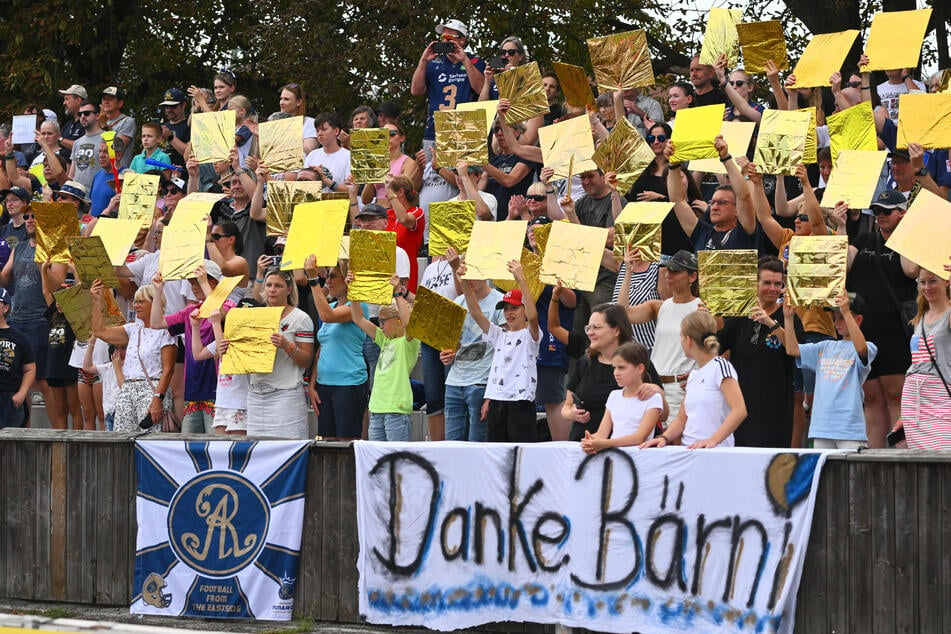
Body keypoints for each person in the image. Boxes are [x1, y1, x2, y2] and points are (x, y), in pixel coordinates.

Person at [847, 189, 918, 447]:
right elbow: (842, 264)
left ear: (903, 214)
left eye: (887, 211)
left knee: (895, 396)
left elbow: (910, 269)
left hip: (894, 330)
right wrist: (839, 223)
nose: (880, 216)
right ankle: (874, 459)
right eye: (877, 211)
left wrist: (907, 231)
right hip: (865, 330)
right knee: (872, 399)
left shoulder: (907, 242)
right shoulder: (865, 238)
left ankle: (902, 459)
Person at [717, 257, 804, 447]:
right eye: (767, 283)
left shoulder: (788, 316)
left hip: (776, 406)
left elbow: (795, 350)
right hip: (743, 407)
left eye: (777, 284)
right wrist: (711, 314)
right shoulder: (741, 317)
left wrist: (771, 324)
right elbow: (716, 346)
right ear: (755, 284)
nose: (772, 288)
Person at [455, 256, 540, 442]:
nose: (509, 313)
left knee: (521, 453)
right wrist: (465, 287)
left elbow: (533, 317)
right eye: (506, 309)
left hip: (521, 401)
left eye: (515, 308)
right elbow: (476, 314)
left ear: (524, 309)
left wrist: (521, 280)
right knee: (496, 453)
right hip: (497, 400)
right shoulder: (499, 333)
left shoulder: (531, 335)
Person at [783, 290, 876, 449]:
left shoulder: (869, 347)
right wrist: (788, 318)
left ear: (858, 319)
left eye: (842, 318)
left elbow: (861, 348)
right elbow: (792, 349)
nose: (837, 322)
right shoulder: (825, 346)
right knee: (822, 473)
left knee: (850, 474)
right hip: (821, 428)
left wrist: (846, 311)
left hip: (849, 430)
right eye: (836, 318)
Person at [642, 310, 746, 448]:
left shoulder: (720, 367)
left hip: (717, 454)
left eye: (681, 337)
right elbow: (681, 419)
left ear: (689, 340)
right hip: (691, 452)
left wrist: (713, 440)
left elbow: (739, 410)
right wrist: (664, 437)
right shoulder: (694, 375)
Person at [150, 263, 230, 434]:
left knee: (215, 446)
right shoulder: (190, 311)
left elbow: (220, 314)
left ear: (214, 282)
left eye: (198, 282)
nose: (194, 287)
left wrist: (204, 283)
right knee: (189, 448)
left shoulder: (228, 304)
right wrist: (158, 291)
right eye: (192, 283)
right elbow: (156, 323)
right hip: (193, 391)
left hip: (218, 389)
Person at [623, 249, 701, 419]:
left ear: (692, 277)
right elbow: (623, 314)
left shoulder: (702, 307)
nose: (668, 274)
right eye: (668, 270)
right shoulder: (659, 306)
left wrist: (700, 375)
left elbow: (718, 347)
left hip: (681, 387)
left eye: (676, 271)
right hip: (653, 385)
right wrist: (628, 271)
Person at [91, 281, 176, 433]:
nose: (136, 305)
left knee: (151, 441)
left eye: (141, 301)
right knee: (121, 440)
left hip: (152, 388)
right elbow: (99, 332)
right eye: (135, 301)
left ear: (155, 302)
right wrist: (97, 300)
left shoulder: (166, 331)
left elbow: (168, 370)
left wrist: (158, 399)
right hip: (127, 388)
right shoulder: (132, 329)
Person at [441, 247, 504, 442]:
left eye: (474, 273)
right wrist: (448, 353)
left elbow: (505, 348)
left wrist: (493, 392)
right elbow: (456, 343)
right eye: (466, 273)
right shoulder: (459, 302)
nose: (470, 279)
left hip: (481, 382)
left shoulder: (500, 302)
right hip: (454, 381)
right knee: (452, 445)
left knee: (478, 446)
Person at [347, 274, 420, 442]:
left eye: (383, 321)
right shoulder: (384, 339)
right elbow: (358, 319)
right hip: (377, 409)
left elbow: (409, 324)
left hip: (396, 410)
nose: (380, 326)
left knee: (396, 460)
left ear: (398, 320)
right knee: (378, 463)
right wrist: (353, 291)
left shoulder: (409, 341)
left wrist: (397, 294)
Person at [246, 267, 314, 439]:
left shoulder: (300, 318)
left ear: (289, 289)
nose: (272, 289)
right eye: (268, 285)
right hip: (255, 394)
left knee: (287, 450)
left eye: (278, 285)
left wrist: (288, 346)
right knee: (256, 452)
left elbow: (307, 360)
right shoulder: (254, 316)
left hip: (286, 395)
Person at [304, 256, 366, 441]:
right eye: (327, 276)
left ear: (347, 279)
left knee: (347, 444)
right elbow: (322, 348)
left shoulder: (357, 306)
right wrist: (313, 384)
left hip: (349, 384)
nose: (328, 281)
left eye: (333, 276)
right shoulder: (330, 305)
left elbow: (327, 315)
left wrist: (313, 279)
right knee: (326, 442)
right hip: (325, 385)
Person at [665, 137, 758, 252]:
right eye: (712, 202)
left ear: (737, 210)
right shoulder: (701, 233)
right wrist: (673, 163)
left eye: (722, 203)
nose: (714, 207)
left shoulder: (744, 232)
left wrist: (725, 157)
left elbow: (744, 196)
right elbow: (678, 201)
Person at [410, 18, 485, 148]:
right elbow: (416, 91)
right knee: (432, 168)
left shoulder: (475, 62)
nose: (445, 41)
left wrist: (464, 60)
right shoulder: (434, 63)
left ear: (462, 40)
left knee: (463, 168)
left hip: (464, 130)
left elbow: (481, 89)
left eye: (449, 37)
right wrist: (423, 61)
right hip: (435, 131)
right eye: (443, 37)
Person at [899, 270, 951, 449]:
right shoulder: (920, 318)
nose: (927, 287)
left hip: (941, 396)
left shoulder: (948, 315)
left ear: (946, 282)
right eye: (922, 282)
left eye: (933, 281)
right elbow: (916, 363)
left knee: (944, 454)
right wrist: (902, 416)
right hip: (913, 399)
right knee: (920, 464)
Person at [580, 342, 664, 452]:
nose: (616, 373)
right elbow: (602, 433)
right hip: (615, 456)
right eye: (614, 368)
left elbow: (639, 437)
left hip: (639, 458)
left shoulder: (653, 398)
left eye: (621, 368)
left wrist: (606, 443)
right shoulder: (614, 396)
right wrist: (590, 440)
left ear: (640, 368)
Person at [189, 308, 247, 435]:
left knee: (237, 449)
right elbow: (198, 354)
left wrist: (216, 324)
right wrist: (195, 326)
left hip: (239, 404)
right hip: (222, 402)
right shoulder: (225, 338)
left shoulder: (248, 342)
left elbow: (224, 354)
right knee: (220, 449)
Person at [0, 287, 35, 428]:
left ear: (6, 308)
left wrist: (22, 393)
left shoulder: (20, 337)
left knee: (12, 442)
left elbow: (30, 369)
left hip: (10, 395)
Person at [304, 113, 350, 193]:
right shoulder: (312, 155)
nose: (320, 134)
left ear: (336, 131)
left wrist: (325, 180)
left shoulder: (348, 156)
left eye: (324, 129)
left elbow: (351, 190)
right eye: (317, 130)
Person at [66, 100, 104, 194]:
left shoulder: (107, 138)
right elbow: (71, 175)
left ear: (97, 116)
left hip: (97, 195)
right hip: (77, 197)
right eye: (80, 114)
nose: (82, 116)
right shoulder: (77, 142)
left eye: (86, 113)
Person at [99, 87, 136, 169]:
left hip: (118, 174)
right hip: (101, 173)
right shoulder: (96, 122)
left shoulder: (127, 121)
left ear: (120, 103)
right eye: (104, 99)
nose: (106, 102)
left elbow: (118, 146)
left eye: (110, 99)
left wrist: (105, 127)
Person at [278, 83, 318, 154]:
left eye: (286, 99)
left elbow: (309, 151)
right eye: (281, 98)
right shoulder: (276, 124)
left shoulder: (310, 123)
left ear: (299, 102)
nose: (281, 102)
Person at [158, 88, 191, 168]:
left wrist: (170, 137)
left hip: (181, 176)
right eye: (166, 106)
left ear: (183, 105)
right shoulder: (162, 126)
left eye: (173, 106)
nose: (169, 110)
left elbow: (190, 154)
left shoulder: (189, 126)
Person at [58, 84, 88, 152]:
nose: (64, 103)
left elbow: (84, 146)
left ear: (78, 100)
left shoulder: (88, 123)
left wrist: (58, 139)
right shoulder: (67, 125)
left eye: (67, 99)